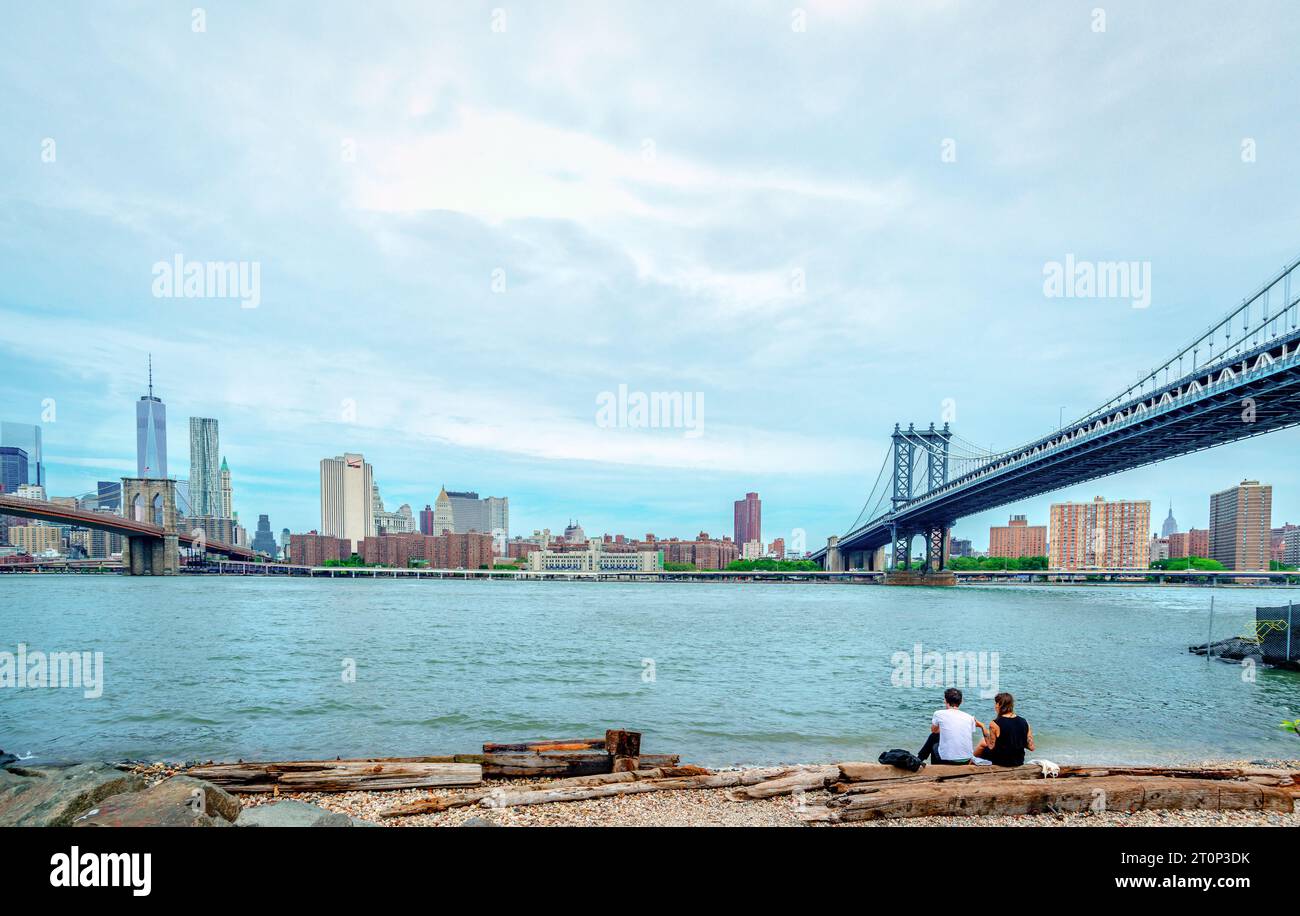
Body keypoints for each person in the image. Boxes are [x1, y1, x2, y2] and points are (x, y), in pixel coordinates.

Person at [917, 687, 983, 765]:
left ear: (945, 700)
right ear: (961, 701)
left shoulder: (938, 713)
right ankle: (919, 759)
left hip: (948, 760)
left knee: (933, 737)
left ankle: (920, 760)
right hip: (966, 759)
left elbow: (934, 730)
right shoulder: (969, 717)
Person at [973, 692, 1034, 767]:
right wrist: (1018, 741)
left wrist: (982, 726)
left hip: (1001, 762)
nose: (995, 706)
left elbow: (991, 746)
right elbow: (1031, 747)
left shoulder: (995, 723)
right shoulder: (1025, 722)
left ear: (999, 705)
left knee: (982, 744)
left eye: (996, 703)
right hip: (1018, 761)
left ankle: (969, 764)